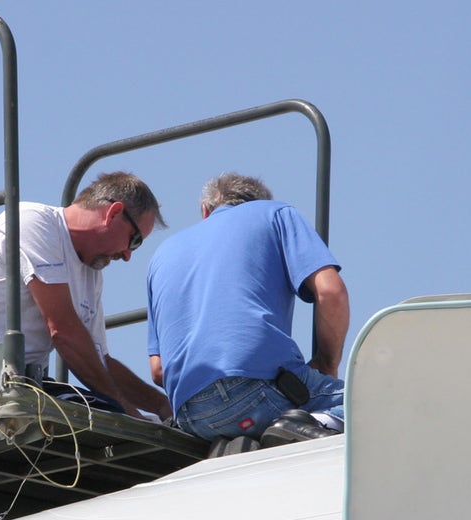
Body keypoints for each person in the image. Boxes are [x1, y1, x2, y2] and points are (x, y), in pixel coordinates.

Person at [0, 171, 172, 421]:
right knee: (106, 422)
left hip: (16, 384)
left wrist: (161, 405)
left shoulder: (91, 274)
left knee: (103, 414)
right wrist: (129, 414)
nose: (128, 255)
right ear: (114, 212)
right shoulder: (35, 222)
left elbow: (100, 363)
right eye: (135, 240)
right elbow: (63, 330)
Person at [145, 173, 349, 443]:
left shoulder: (161, 254)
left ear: (205, 211)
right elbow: (331, 292)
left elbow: (159, 370)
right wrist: (326, 363)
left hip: (191, 415)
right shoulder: (275, 213)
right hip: (264, 392)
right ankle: (310, 422)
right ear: (258, 202)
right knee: (376, 400)